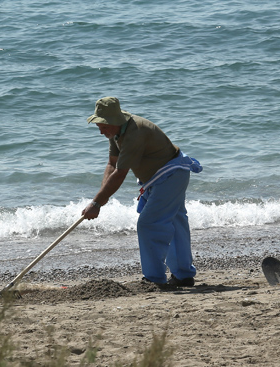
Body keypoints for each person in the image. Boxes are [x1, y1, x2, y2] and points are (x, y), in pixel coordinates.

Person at [82, 97, 202, 285]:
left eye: (103, 125)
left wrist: (97, 203)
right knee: (175, 223)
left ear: (114, 121)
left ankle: (154, 279)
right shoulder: (116, 133)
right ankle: (184, 275)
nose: (100, 130)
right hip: (163, 178)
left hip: (171, 175)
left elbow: (120, 173)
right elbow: (112, 164)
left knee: (148, 224)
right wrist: (99, 199)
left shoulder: (134, 133)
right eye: (99, 125)